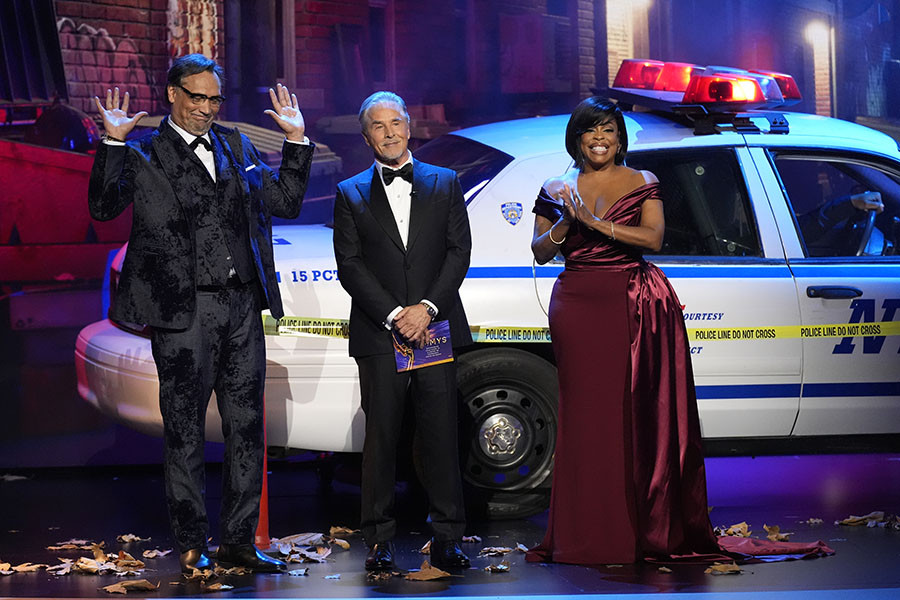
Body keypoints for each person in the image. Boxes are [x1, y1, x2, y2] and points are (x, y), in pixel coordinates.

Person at [88, 54, 313, 573]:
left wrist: (296, 142)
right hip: (181, 314)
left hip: (240, 308)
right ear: (172, 94)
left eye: (214, 100)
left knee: (246, 427)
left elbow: (285, 201)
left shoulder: (236, 145)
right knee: (185, 431)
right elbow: (103, 207)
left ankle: (238, 541)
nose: (206, 109)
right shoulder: (146, 154)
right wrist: (114, 143)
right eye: (197, 97)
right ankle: (192, 543)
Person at [525, 97, 720, 565]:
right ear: (577, 137)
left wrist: (596, 223)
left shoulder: (642, 181)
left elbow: (653, 238)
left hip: (628, 302)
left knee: (625, 416)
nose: (599, 138)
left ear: (619, 138)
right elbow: (539, 251)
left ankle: (633, 529)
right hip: (575, 305)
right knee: (584, 418)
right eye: (591, 130)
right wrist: (566, 224)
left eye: (608, 130)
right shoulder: (556, 186)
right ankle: (583, 532)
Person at [332, 91, 472, 571]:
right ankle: (379, 538)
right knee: (382, 437)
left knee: (440, 434)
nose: (389, 132)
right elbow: (349, 265)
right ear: (365, 134)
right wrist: (396, 314)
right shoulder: (350, 192)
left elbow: (459, 252)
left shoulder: (446, 182)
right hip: (379, 331)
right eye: (378, 125)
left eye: (396, 122)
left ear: (410, 127)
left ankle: (449, 534)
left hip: (434, 326)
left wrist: (427, 309)